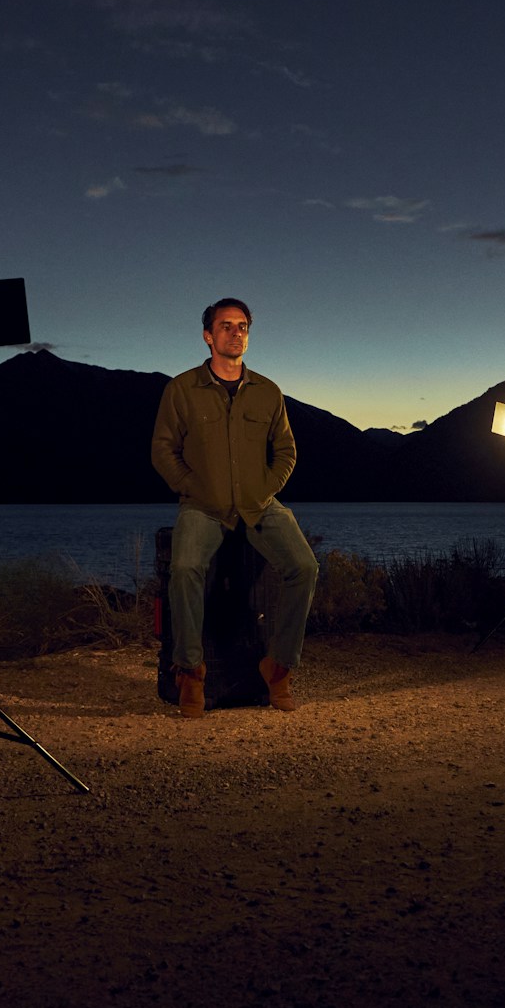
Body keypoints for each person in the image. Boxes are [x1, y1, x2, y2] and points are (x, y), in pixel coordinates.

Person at [150, 297, 319, 719]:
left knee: (305, 567)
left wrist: (265, 490)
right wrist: (195, 488)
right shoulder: (182, 389)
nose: (236, 332)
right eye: (226, 326)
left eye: (242, 326)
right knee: (185, 568)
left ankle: (278, 667)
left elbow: (286, 451)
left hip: (259, 506)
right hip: (203, 508)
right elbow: (163, 450)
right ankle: (190, 671)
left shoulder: (268, 392)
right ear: (208, 336)